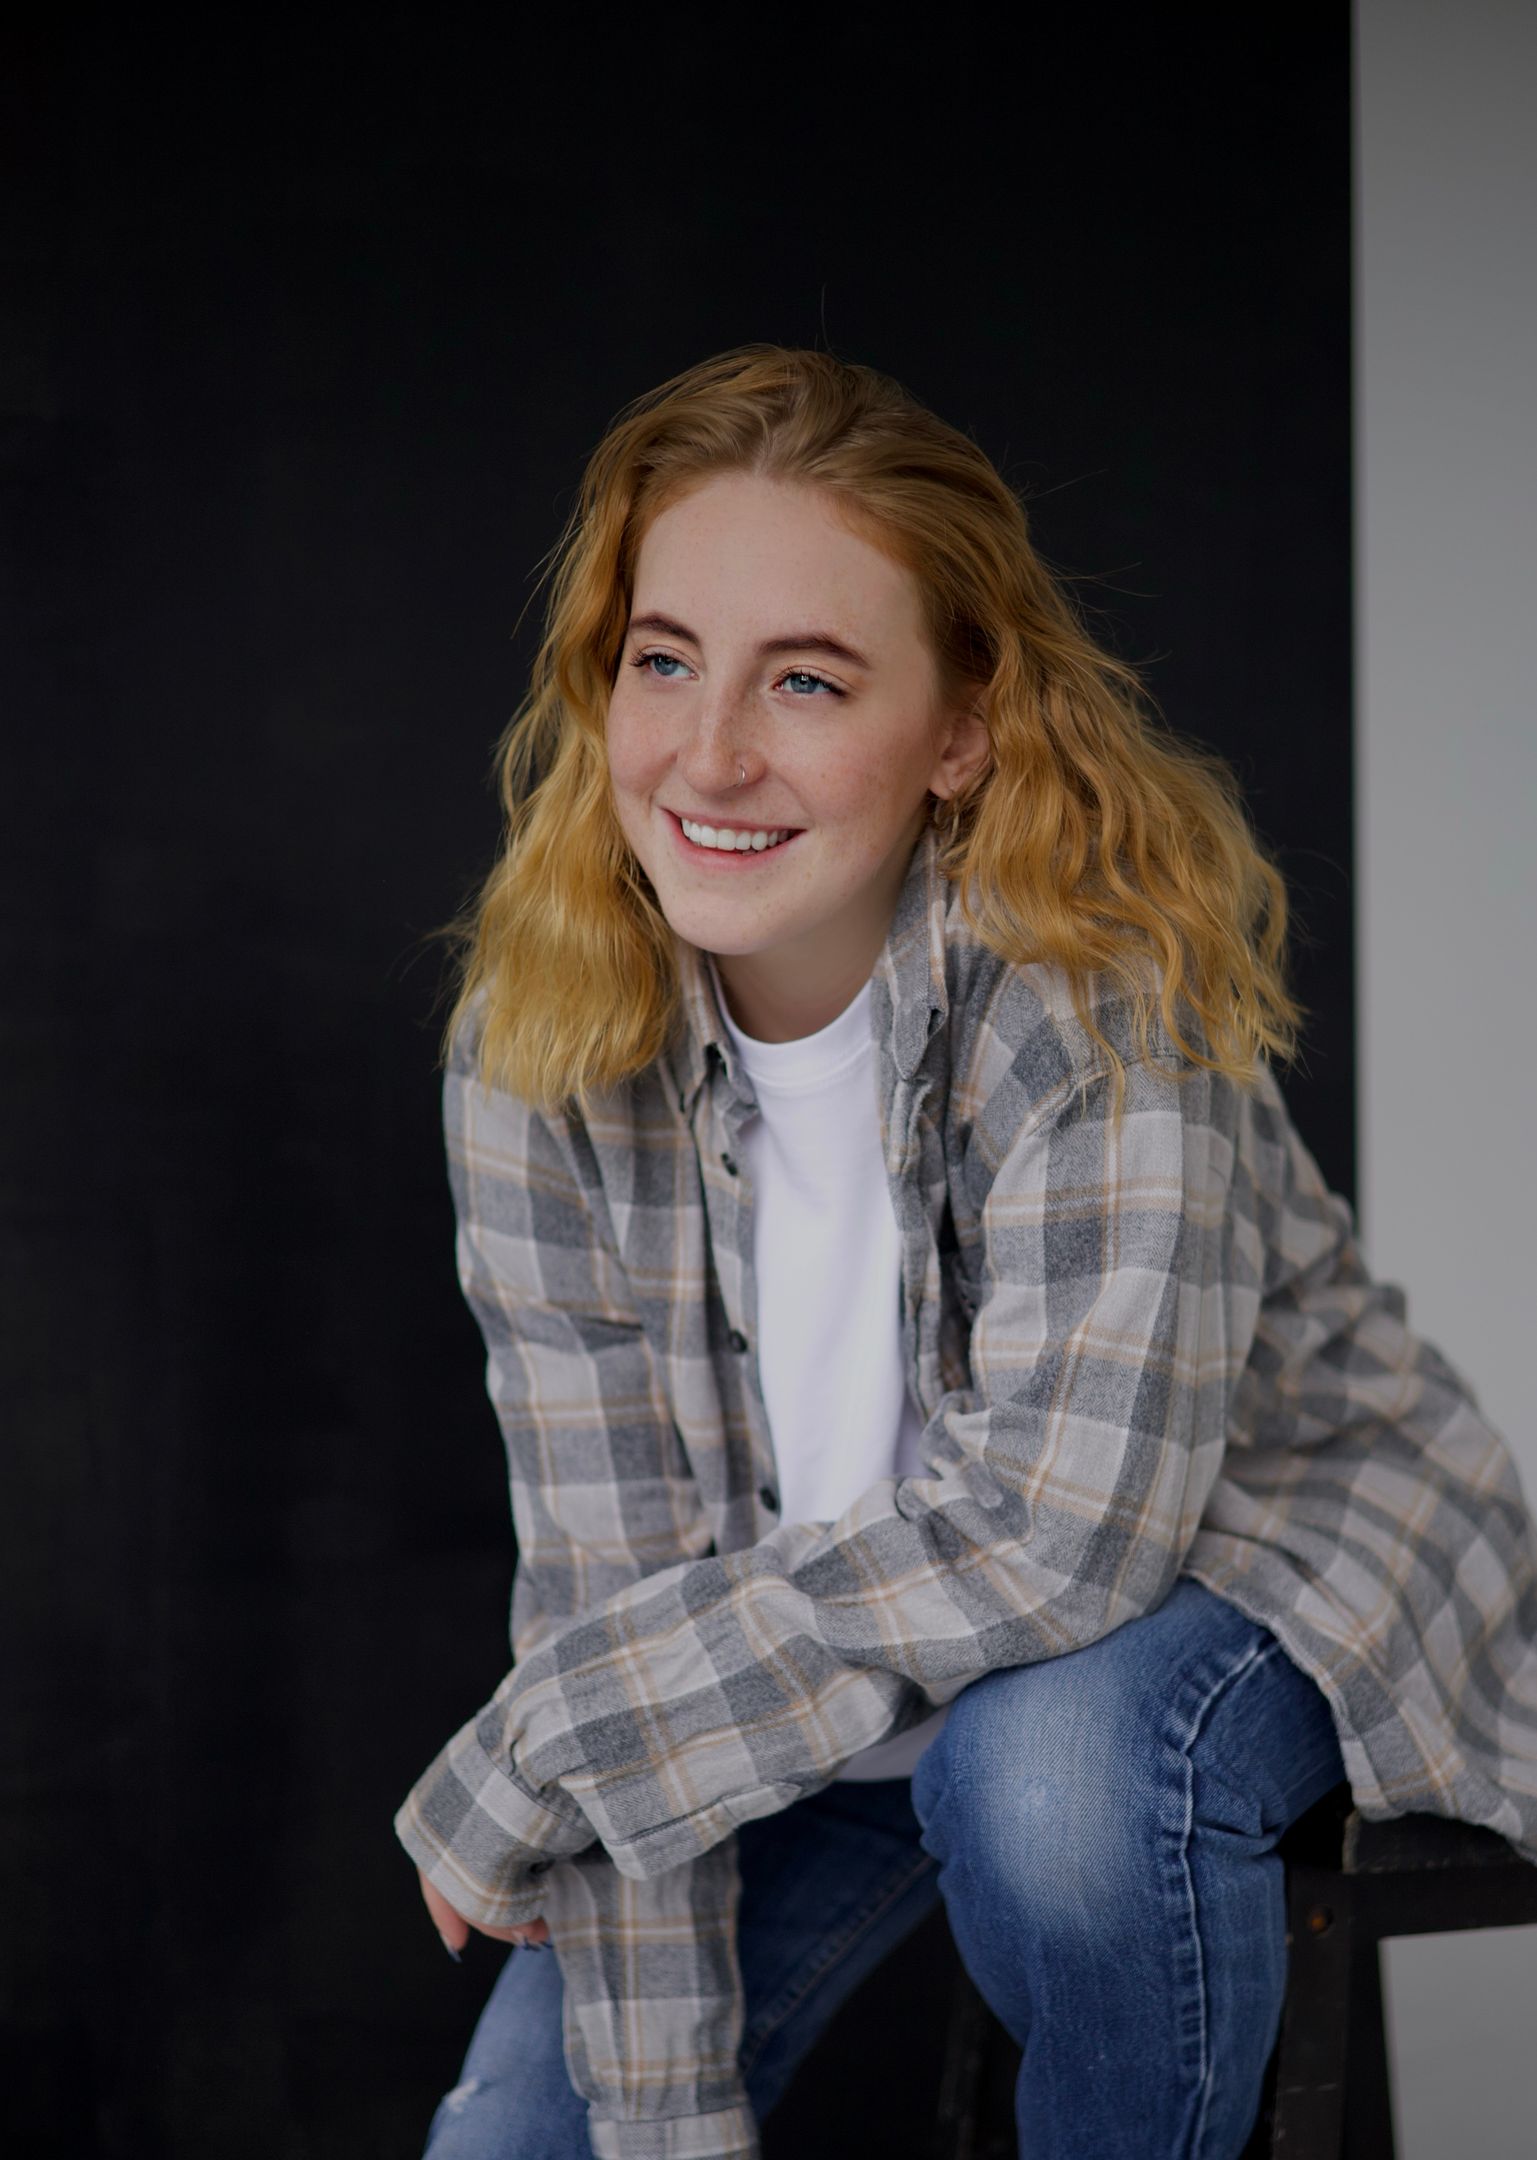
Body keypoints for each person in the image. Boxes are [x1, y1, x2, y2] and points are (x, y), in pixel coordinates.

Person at [394, 343, 1537, 2160]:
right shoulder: (539, 1044)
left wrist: (560, 1738)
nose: (708, 752)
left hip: (1233, 1574)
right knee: (529, 2136)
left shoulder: (1101, 988)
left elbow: (1065, 1537)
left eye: (806, 678)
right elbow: (614, 1602)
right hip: (802, 1687)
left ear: (961, 727)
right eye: (662, 659)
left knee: (1049, 1782)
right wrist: (663, 2104)